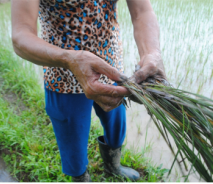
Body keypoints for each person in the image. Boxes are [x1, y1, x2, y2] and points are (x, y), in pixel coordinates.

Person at [11, 0, 166, 182]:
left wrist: (151, 52)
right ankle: (81, 178)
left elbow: (142, 11)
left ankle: (112, 166)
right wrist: (69, 59)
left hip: (111, 67)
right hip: (63, 74)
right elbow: (21, 34)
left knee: (116, 125)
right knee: (72, 139)